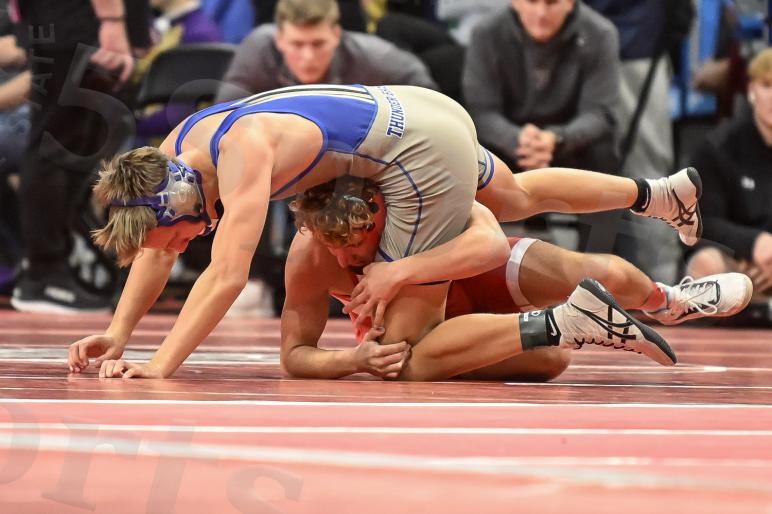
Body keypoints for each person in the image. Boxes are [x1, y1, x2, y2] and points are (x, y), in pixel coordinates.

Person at [65, 83, 702, 379]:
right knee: (518, 195)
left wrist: (161, 365)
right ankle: (657, 193)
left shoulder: (241, 155)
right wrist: (119, 333)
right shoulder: (180, 150)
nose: (181, 248)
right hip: (420, 108)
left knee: (405, 354)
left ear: (179, 201)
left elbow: (227, 274)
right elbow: (154, 251)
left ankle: (565, 321)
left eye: (179, 237)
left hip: (415, 156)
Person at [274, 177, 751, 381]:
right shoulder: (310, 256)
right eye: (332, 245)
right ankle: (563, 323)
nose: (345, 257)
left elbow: (491, 243)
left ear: (381, 211)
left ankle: (667, 301)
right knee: (552, 361)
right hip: (421, 328)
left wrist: (399, 270)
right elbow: (294, 355)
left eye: (356, 243)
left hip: (471, 273)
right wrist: (352, 360)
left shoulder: (420, 199)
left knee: (600, 272)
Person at [11, 0, 152, 314]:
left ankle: (55, 266)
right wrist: (112, 20)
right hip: (77, 24)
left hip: (74, 25)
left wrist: (134, 25)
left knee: (79, 146)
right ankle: (43, 272)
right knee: (57, 143)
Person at [214, 0, 437, 103]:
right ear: (279, 39)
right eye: (297, 44)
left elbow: (427, 95)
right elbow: (222, 115)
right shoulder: (259, 49)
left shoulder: (371, 55)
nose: (308, 56)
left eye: (318, 44)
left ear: (337, 36)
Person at [687, 49, 772, 306]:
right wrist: (753, 244)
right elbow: (699, 224)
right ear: (751, 90)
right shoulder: (718, 146)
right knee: (706, 265)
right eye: (767, 85)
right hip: (741, 268)